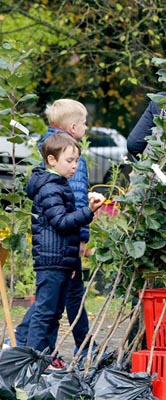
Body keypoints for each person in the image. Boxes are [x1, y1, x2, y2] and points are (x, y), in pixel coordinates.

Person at [14, 99, 97, 359]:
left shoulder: (59, 166)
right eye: (70, 161)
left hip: (62, 256)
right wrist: (87, 217)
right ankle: (33, 356)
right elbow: (63, 219)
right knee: (47, 310)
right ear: (53, 160)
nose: (74, 165)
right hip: (53, 257)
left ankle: (43, 354)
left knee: (53, 308)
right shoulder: (54, 181)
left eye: (75, 161)